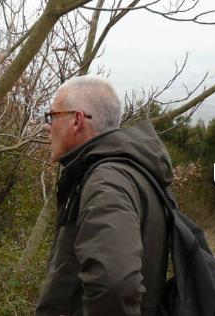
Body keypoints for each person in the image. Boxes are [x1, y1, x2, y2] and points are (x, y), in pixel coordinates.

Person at [35, 75, 172, 315]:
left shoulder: (106, 182)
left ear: (76, 120)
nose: (47, 127)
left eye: (53, 116)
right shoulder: (130, 173)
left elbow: (114, 284)